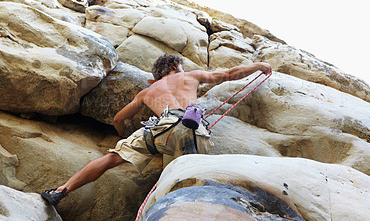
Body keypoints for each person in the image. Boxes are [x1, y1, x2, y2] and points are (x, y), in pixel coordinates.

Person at [41, 54, 272, 206]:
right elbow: (229, 73)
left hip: (162, 130)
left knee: (112, 158)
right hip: (195, 131)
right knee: (185, 183)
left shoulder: (147, 92)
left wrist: (123, 136)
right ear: (175, 67)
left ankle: (62, 190)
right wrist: (258, 66)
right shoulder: (190, 76)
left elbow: (118, 118)